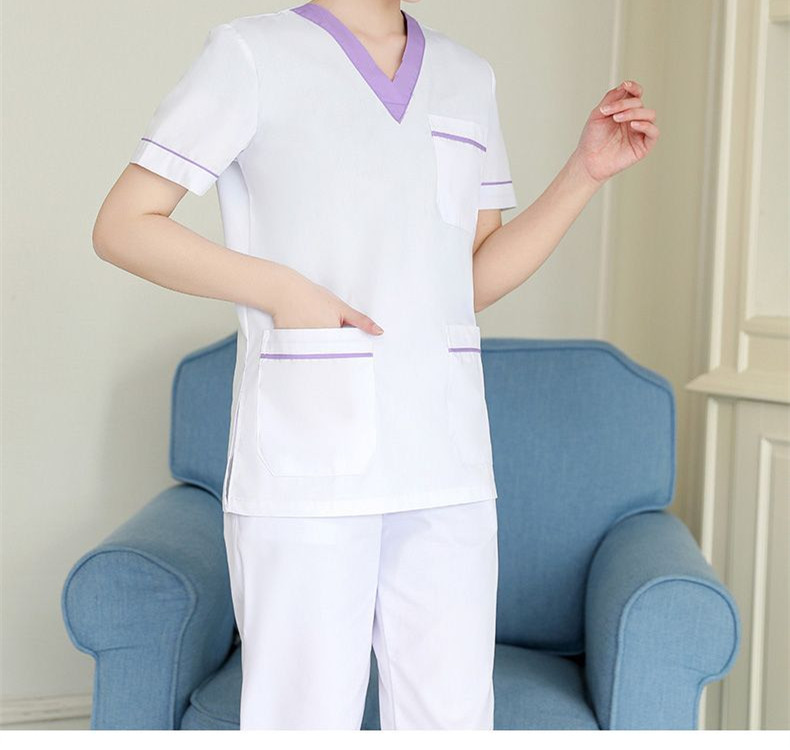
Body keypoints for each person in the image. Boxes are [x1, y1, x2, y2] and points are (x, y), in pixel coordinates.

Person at [92, 0, 658, 731]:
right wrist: (283, 290)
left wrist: (584, 172)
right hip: (311, 452)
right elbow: (123, 225)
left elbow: (470, 279)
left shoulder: (466, 76)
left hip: (446, 458)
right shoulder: (251, 54)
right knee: (301, 721)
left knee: (452, 724)